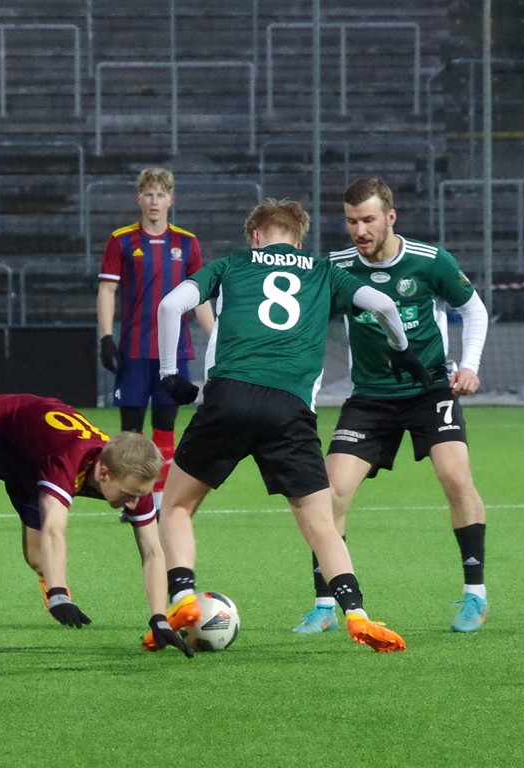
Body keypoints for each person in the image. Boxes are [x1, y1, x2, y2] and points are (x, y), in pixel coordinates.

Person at [151, 197, 432, 655]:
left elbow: (169, 306)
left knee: (178, 506)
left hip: (230, 396)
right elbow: (382, 303)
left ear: (255, 235)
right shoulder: (322, 270)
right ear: (299, 240)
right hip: (290, 407)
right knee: (321, 523)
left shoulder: (232, 264)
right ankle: (357, 613)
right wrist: (400, 347)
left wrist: (169, 374)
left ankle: (183, 596)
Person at [293, 177, 490, 635]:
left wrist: (470, 366)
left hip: (430, 390)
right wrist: (307, 392)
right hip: (369, 398)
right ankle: (325, 603)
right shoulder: (336, 267)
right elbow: (311, 332)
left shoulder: (429, 261)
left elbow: (473, 309)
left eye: (368, 219)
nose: (359, 230)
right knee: (330, 493)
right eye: (350, 220)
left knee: (455, 477)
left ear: (390, 217)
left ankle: (474, 595)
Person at [0, 393, 194, 670]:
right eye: (128, 495)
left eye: (140, 495)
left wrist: (159, 617)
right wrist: (58, 593)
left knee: (39, 558)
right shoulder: (67, 461)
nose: (135, 503)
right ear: (103, 474)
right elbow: (54, 528)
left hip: (31, 459)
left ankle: (47, 571)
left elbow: (152, 551)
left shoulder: (134, 481)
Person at [96, 167, 214, 511]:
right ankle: (129, 498)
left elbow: (200, 296)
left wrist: (216, 337)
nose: (154, 201)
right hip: (133, 350)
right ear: (139, 199)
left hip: (173, 353)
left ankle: (158, 501)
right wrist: (106, 337)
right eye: (148, 194)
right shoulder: (122, 240)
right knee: (130, 433)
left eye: (161, 195)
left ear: (170, 200)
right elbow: (107, 289)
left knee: (165, 428)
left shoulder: (186, 243)